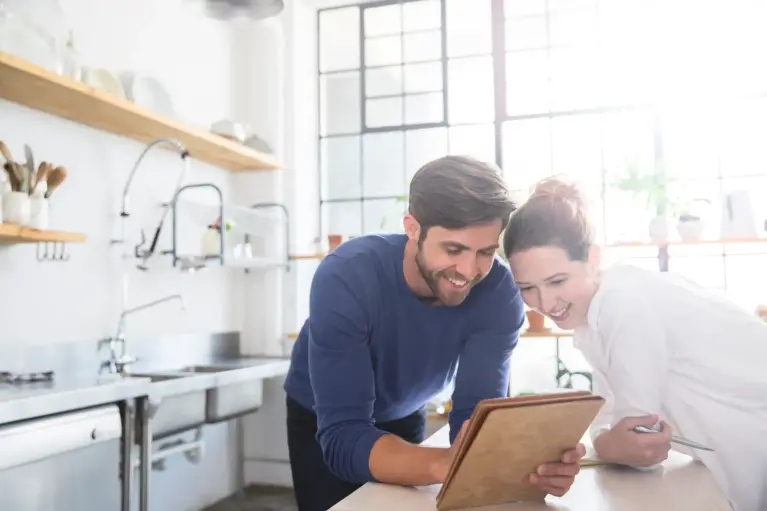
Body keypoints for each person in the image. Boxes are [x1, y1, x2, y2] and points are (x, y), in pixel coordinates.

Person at [283, 156, 586, 511]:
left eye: (485, 252)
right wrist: (448, 464)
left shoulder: (499, 294)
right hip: (323, 416)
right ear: (412, 228)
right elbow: (345, 436)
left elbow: (475, 415)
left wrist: (521, 464)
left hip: (406, 407)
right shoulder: (347, 276)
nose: (469, 270)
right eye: (453, 249)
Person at [502, 176, 767, 511]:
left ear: (593, 258)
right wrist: (609, 440)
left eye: (557, 281)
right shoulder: (597, 318)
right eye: (527, 287)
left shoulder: (624, 305)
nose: (545, 302)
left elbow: (643, 447)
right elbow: (614, 420)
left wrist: (609, 442)